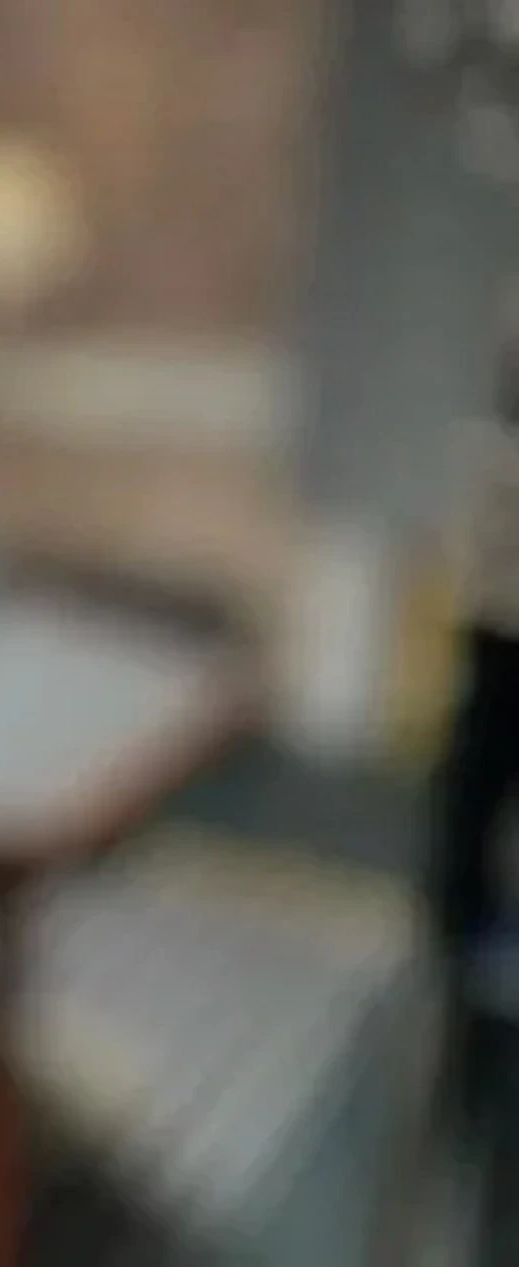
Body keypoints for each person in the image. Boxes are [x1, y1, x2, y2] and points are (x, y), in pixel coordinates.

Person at [436, 295, 519, 1127]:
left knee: (479, 785)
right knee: (477, 785)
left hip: (494, 633)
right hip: (499, 636)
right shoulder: (496, 460)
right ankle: (461, 921)